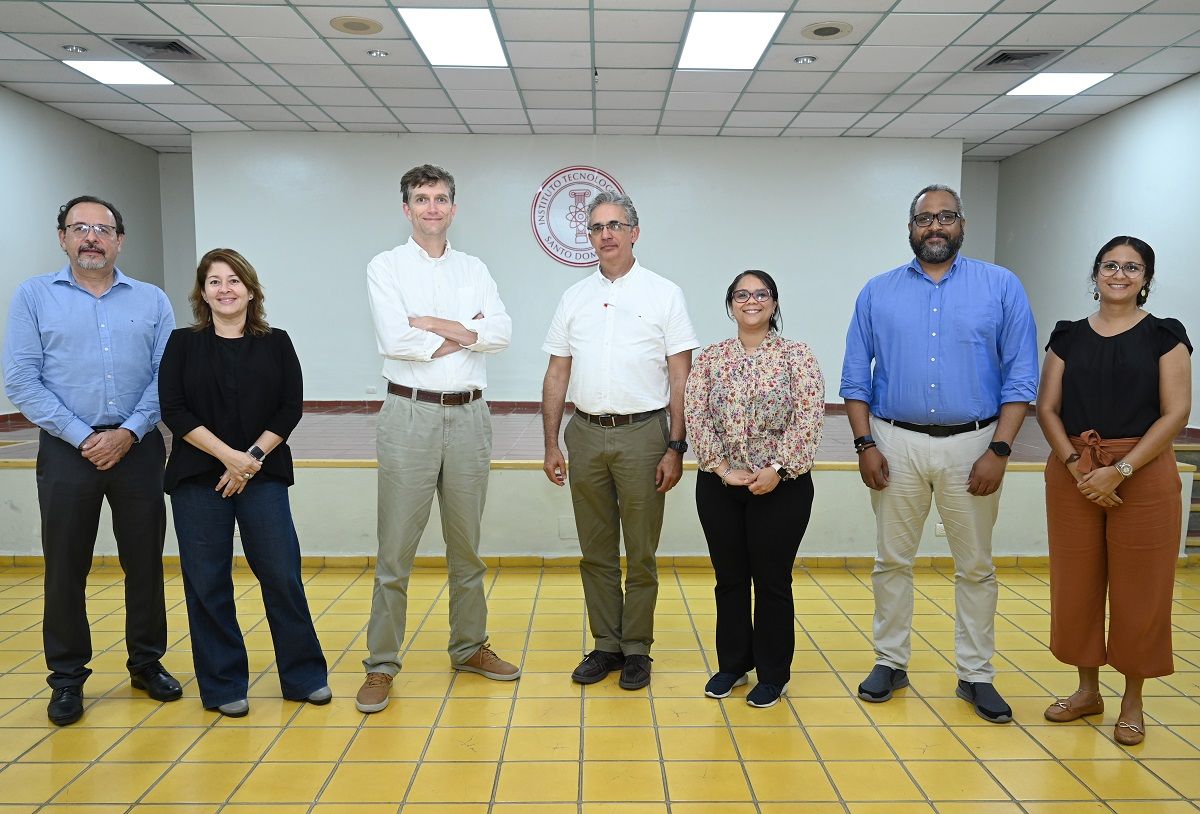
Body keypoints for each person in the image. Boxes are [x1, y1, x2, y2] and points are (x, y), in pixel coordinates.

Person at [840, 184, 1038, 723]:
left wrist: (999, 448)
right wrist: (864, 445)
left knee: (975, 566)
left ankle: (976, 675)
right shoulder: (877, 292)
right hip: (892, 442)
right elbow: (856, 379)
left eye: (946, 217)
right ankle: (890, 661)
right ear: (910, 228)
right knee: (891, 562)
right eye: (924, 218)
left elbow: (1021, 378)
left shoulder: (1001, 287)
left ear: (962, 225)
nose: (935, 226)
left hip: (975, 443)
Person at [3, 195, 180, 726]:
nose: (91, 238)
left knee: (145, 563)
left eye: (102, 229)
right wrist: (85, 438)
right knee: (65, 568)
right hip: (66, 451)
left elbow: (165, 377)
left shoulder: (151, 300)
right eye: (79, 228)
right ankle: (67, 679)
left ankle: (147, 663)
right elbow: (20, 380)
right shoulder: (33, 296)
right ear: (62, 237)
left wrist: (128, 431)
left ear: (119, 241)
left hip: (139, 448)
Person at [357, 164, 516, 714]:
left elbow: (500, 334)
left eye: (441, 198)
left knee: (467, 549)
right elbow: (394, 338)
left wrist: (437, 324)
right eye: (421, 199)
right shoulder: (386, 266)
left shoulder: (475, 268)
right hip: (410, 416)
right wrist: (464, 333)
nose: (432, 207)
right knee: (395, 551)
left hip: (471, 418)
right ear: (407, 208)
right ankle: (381, 664)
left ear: (454, 207)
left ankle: (470, 647)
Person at [158, 248, 330, 718]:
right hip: (198, 479)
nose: (225, 289)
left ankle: (304, 676)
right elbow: (174, 411)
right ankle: (222, 684)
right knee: (208, 582)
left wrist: (250, 460)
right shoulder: (182, 344)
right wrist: (229, 458)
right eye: (214, 281)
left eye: (234, 280)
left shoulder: (276, 342)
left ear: (250, 290)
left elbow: (288, 408)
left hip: (264, 475)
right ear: (202, 293)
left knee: (281, 575)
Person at [1037, 236, 1191, 746]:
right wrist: (1075, 465)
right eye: (1110, 265)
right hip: (1074, 469)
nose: (1119, 274)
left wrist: (1119, 469)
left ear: (1146, 278)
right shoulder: (1068, 336)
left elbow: (1176, 413)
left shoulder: (1166, 336)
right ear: (1095, 273)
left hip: (1142, 472)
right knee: (1076, 583)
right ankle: (1087, 691)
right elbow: (1047, 409)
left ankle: (1132, 700)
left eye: (1132, 267)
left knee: (1140, 590)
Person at [541, 191, 698, 691]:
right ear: (589, 237)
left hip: (644, 435)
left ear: (634, 232)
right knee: (596, 550)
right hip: (585, 434)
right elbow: (556, 372)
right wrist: (551, 443)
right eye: (596, 227)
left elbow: (681, 377)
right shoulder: (574, 297)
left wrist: (676, 445)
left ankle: (637, 649)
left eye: (615, 225)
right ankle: (606, 644)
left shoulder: (664, 294)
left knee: (642, 551)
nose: (605, 234)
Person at [685, 270, 824, 708]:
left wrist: (777, 469)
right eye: (742, 295)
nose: (751, 301)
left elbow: (808, 418)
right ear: (731, 304)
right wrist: (723, 468)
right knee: (729, 580)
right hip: (720, 485)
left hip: (781, 487)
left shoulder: (797, 357)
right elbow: (696, 413)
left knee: (771, 582)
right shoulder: (711, 358)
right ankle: (732, 666)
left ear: (774, 303)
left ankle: (773, 674)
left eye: (761, 294)